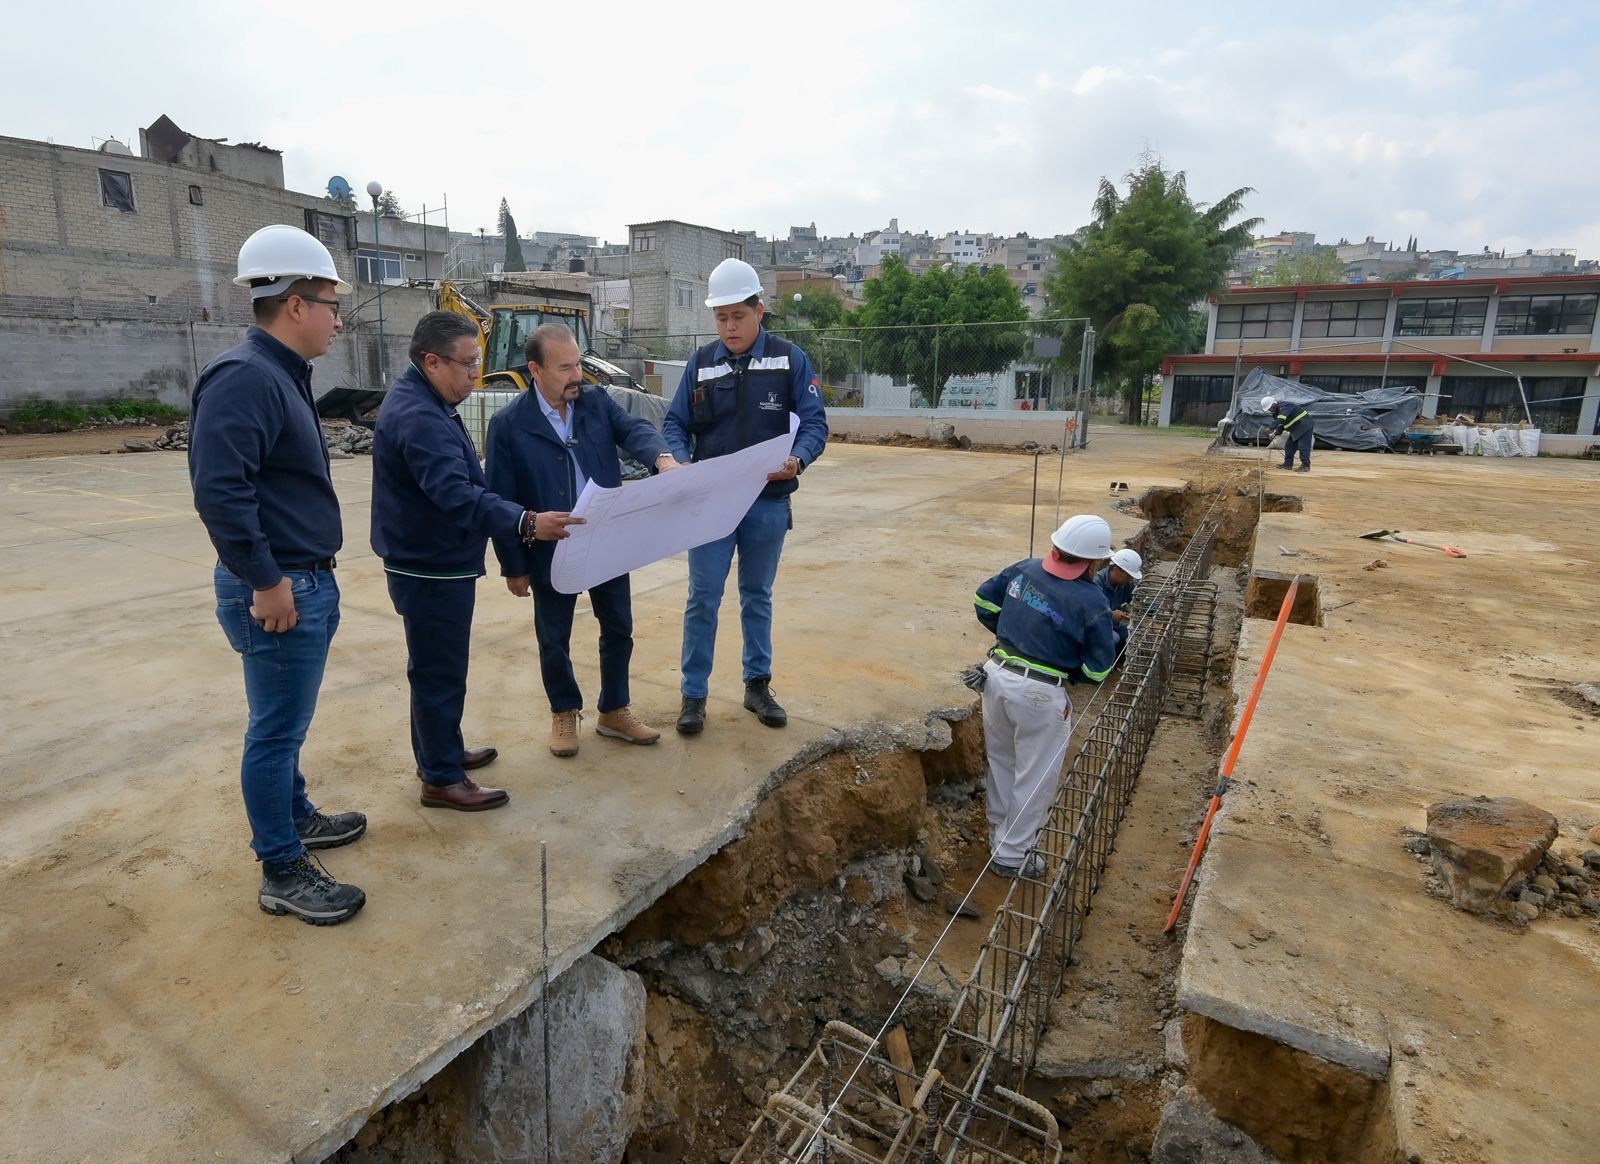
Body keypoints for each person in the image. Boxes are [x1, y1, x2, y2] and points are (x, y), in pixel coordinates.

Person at [189, 224, 366, 926]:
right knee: (274, 731)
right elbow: (220, 491)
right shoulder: (247, 378)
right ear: (295, 303)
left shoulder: (281, 375)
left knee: (285, 727)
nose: (337, 316)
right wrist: (266, 582)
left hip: (300, 579)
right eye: (329, 301)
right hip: (279, 586)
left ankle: (296, 816)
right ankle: (282, 867)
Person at [371, 311, 543, 810]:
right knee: (437, 671)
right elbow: (457, 495)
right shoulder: (419, 416)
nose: (474, 374)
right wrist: (526, 521)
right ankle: (441, 778)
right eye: (467, 364)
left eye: (477, 363)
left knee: (436, 668)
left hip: (433, 559)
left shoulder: (427, 400)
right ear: (431, 361)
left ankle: (441, 751)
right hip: (427, 566)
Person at [486, 324, 681, 757]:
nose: (577, 375)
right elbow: (500, 497)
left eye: (578, 363)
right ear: (535, 369)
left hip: (606, 538)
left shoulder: (595, 402)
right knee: (553, 635)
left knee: (618, 628)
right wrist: (513, 565)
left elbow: (635, 430)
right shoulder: (509, 425)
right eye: (566, 367)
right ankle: (563, 710)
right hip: (550, 546)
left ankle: (614, 711)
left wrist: (663, 459)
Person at [662, 258, 829, 735]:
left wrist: (797, 459)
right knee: (703, 597)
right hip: (710, 503)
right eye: (721, 317)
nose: (729, 326)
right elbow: (675, 423)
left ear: (759, 309)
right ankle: (694, 695)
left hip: (767, 501)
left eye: (738, 315)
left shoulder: (789, 359)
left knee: (757, 595)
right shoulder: (701, 364)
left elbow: (816, 423)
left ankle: (757, 686)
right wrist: (679, 458)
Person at [972, 515, 1117, 879]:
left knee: (1003, 761)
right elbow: (1099, 670)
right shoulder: (1091, 599)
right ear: (1094, 561)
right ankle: (1011, 855)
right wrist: (1066, 669)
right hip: (1039, 691)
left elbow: (983, 602)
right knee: (1034, 776)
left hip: (996, 675)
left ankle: (998, 834)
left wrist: (1012, 634)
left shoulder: (1026, 568)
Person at [1095, 547, 1143, 654]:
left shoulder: (1126, 584)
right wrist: (1111, 614)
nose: (1131, 579)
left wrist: (1156, 609)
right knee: (1113, 637)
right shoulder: (1096, 583)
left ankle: (1118, 658)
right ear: (1116, 569)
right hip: (1095, 627)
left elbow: (1140, 598)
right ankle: (1098, 665)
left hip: (1112, 624)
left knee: (1133, 632)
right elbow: (1089, 613)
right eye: (1129, 575)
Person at [1261, 394, 1314, 472]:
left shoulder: (1285, 406)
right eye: (1269, 409)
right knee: (1289, 446)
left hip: (1304, 425)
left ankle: (1305, 466)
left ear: (1274, 404)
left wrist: (1270, 428)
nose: (1270, 410)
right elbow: (1281, 424)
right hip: (1295, 428)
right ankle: (1288, 464)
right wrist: (1275, 433)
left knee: (1303, 445)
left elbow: (1281, 419)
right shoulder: (1276, 413)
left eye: (1270, 408)